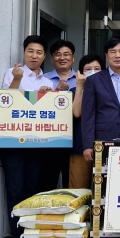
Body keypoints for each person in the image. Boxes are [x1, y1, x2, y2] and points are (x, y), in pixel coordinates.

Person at [0, 35, 54, 238]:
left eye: (39, 52)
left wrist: (51, 95)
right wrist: (16, 79)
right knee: (15, 190)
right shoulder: (13, 74)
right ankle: (18, 237)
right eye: (30, 51)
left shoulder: (48, 82)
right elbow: (5, 102)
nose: (34, 56)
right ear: (24, 52)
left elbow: (51, 112)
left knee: (33, 189)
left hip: (38, 144)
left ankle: (31, 234)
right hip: (13, 142)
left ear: (44, 56)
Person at [38, 40, 77, 191]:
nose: (62, 58)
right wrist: (54, 93)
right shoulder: (42, 79)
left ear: (73, 57)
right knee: (47, 182)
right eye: (58, 54)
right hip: (50, 139)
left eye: (66, 54)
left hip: (75, 138)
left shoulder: (82, 80)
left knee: (72, 184)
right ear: (51, 58)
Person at [68, 54, 104, 189]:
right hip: (80, 147)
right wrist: (80, 87)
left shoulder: (108, 91)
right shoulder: (75, 90)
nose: (93, 72)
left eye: (97, 68)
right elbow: (76, 112)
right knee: (78, 188)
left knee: (102, 189)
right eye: (88, 69)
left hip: (103, 143)